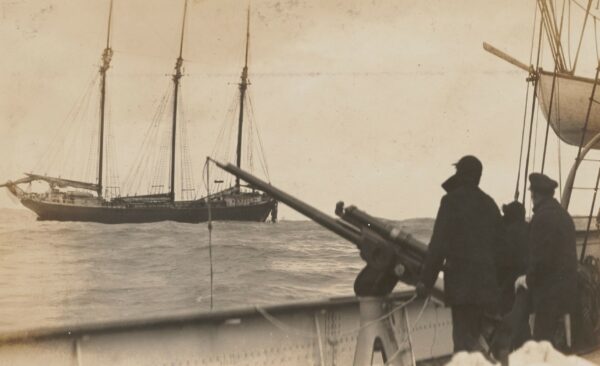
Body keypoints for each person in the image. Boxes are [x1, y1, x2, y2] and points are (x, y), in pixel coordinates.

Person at [417, 155, 504, 353]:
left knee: (464, 345)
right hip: (488, 289)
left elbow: (438, 245)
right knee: (482, 345)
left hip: (463, 289)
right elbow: (501, 249)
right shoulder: (490, 204)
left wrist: (426, 282)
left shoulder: (450, 201)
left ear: (460, 174)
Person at [514, 173, 578, 345]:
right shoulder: (565, 216)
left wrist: (525, 279)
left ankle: (523, 350)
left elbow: (541, 262)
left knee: (518, 304)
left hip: (549, 295)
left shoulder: (542, 218)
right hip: (569, 292)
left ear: (534, 195)